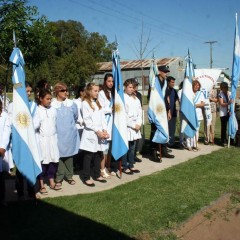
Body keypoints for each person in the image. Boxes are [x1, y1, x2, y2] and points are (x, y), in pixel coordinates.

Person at [6, 81, 39, 200]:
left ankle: (31, 191)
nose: (29, 93)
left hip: (30, 140)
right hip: (18, 140)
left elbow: (36, 121)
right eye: (27, 91)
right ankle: (20, 191)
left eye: (30, 91)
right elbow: (10, 121)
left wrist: (28, 129)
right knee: (20, 167)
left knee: (30, 166)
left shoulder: (33, 105)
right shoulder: (12, 105)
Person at [80, 83, 109, 187]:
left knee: (98, 155)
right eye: (95, 91)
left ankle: (97, 174)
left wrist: (105, 130)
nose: (97, 93)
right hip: (91, 134)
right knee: (88, 156)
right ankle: (86, 177)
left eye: (98, 91)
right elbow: (87, 121)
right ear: (89, 91)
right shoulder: (85, 104)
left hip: (100, 134)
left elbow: (103, 118)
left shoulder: (98, 103)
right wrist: (98, 131)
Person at [51, 82, 80, 187]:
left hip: (69, 134)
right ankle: (59, 177)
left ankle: (69, 176)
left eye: (66, 90)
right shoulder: (52, 105)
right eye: (63, 90)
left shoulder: (72, 104)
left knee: (69, 156)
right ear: (57, 92)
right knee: (59, 156)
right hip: (58, 134)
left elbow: (76, 117)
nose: (66, 92)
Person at [36, 89, 62, 194]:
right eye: (47, 99)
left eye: (50, 99)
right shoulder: (37, 110)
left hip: (52, 139)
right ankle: (41, 184)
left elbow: (55, 123)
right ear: (41, 99)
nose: (49, 101)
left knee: (53, 161)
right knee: (43, 162)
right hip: (42, 140)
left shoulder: (53, 110)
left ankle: (51, 181)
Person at [148, 65, 174, 161]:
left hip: (163, 111)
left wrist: (168, 111)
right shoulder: (154, 82)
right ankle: (153, 152)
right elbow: (152, 99)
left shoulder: (165, 83)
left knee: (164, 130)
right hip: (156, 111)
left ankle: (163, 150)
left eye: (167, 72)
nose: (166, 73)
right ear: (159, 72)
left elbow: (167, 98)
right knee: (155, 131)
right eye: (164, 72)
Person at [122, 78, 142, 174]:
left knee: (132, 147)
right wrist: (133, 125)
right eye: (130, 87)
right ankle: (124, 166)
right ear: (125, 87)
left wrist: (138, 123)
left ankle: (131, 164)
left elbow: (139, 113)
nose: (131, 89)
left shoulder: (136, 99)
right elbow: (123, 115)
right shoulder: (122, 98)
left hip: (135, 126)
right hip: (127, 126)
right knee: (126, 147)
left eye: (133, 87)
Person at [98, 73, 114, 178]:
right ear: (105, 81)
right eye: (109, 81)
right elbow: (100, 109)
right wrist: (110, 109)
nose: (111, 83)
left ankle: (108, 167)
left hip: (112, 123)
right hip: (105, 122)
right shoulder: (101, 93)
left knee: (110, 148)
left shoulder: (113, 93)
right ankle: (101, 168)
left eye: (112, 81)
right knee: (104, 148)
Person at [186, 80, 205, 151]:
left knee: (196, 130)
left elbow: (203, 104)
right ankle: (188, 144)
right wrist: (195, 106)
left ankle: (195, 144)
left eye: (198, 85)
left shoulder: (201, 94)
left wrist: (194, 105)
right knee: (190, 129)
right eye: (195, 85)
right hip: (190, 114)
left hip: (198, 114)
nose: (197, 86)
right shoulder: (189, 93)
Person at [73, 84, 85, 171]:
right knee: (79, 147)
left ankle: (83, 164)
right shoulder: (76, 102)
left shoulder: (87, 101)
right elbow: (75, 115)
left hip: (86, 127)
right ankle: (77, 164)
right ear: (81, 92)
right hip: (79, 127)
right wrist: (81, 121)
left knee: (84, 147)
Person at [166, 76, 179, 148]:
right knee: (167, 128)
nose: (173, 84)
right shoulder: (164, 90)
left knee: (172, 129)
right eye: (172, 82)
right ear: (168, 82)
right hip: (167, 113)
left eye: (174, 82)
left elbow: (177, 100)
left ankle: (171, 143)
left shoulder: (174, 91)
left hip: (173, 113)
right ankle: (166, 143)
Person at [218, 82, 233, 147]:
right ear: (222, 88)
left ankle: (231, 139)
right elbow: (221, 103)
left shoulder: (229, 93)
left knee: (231, 126)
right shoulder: (220, 94)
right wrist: (228, 103)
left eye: (226, 87)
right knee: (224, 127)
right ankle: (223, 140)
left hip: (230, 113)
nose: (225, 89)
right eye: (224, 88)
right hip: (223, 113)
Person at [132, 78, 143, 162]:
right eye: (135, 85)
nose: (136, 87)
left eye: (137, 85)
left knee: (138, 138)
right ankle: (130, 156)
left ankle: (135, 154)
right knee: (131, 140)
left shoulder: (139, 95)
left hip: (138, 119)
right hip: (131, 120)